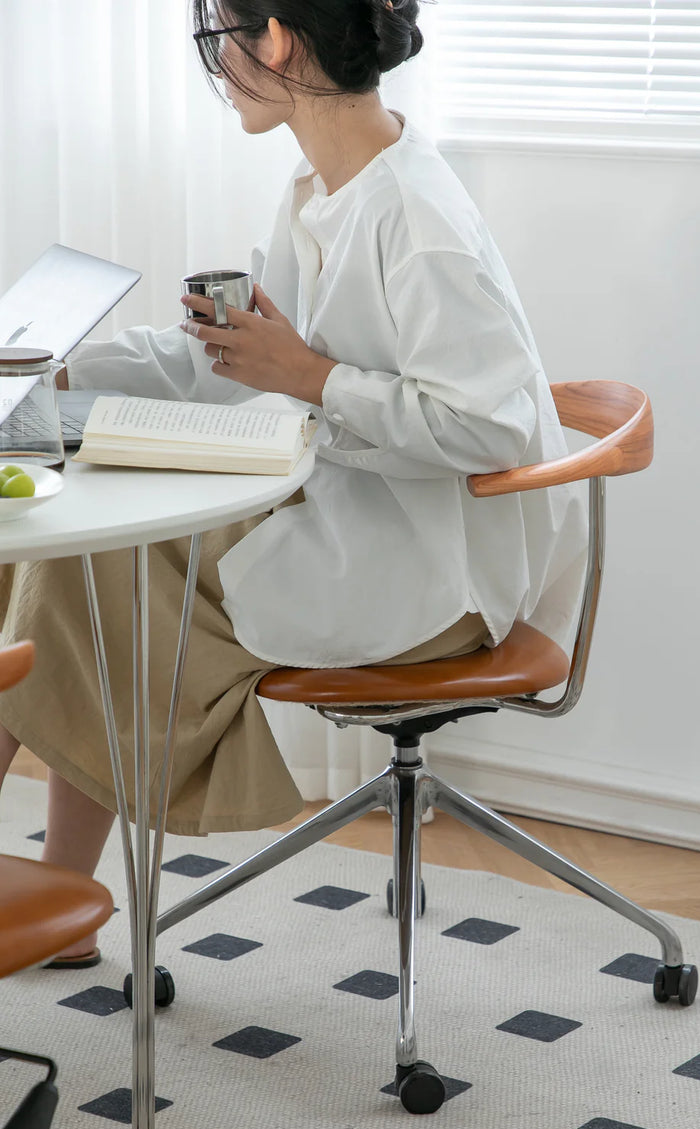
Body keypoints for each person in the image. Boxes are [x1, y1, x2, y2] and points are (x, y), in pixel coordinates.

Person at [0, 0, 587, 964]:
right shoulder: (324, 184)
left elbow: (492, 427)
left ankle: (61, 892)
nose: (218, 67)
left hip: (428, 574)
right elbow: (229, 355)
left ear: (272, 38)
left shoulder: (415, 215)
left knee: (82, 569)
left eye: (216, 40)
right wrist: (57, 368)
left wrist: (311, 377)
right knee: (74, 556)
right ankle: (62, 897)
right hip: (347, 517)